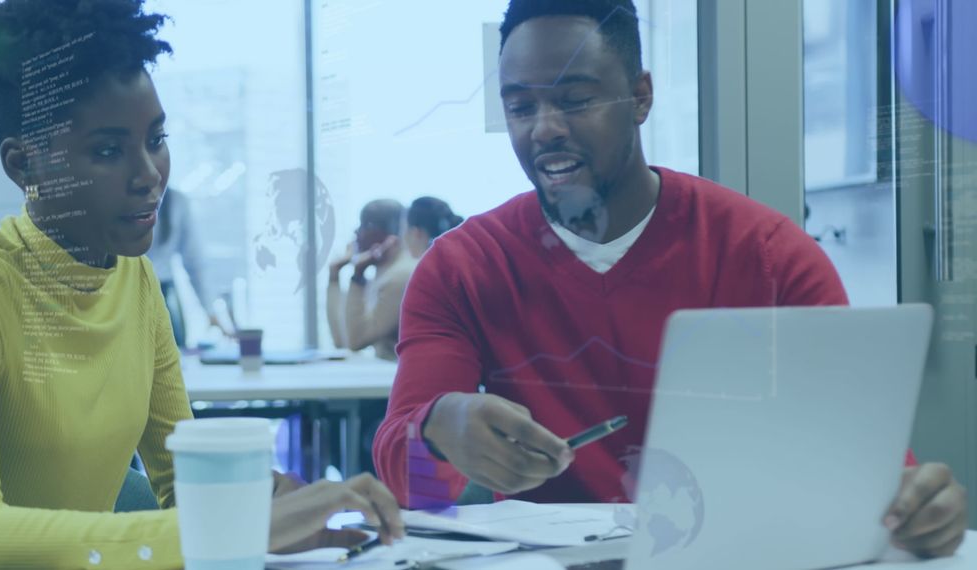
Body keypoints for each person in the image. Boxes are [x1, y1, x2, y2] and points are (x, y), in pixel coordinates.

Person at [373, 0, 967, 559]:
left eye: (575, 100)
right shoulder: (462, 269)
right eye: (520, 108)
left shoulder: (768, 255)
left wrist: (917, 508)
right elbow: (412, 486)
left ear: (641, 97)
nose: (544, 129)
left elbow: (867, 470)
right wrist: (438, 430)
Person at [0, 2, 403, 569]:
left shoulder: (133, 276)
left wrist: (286, 503)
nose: (149, 175)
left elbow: (183, 476)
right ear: (25, 166)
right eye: (108, 150)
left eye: (156, 139)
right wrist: (237, 525)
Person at [327, 199, 416, 361]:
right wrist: (334, 275)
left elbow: (356, 341)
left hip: (396, 373)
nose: (356, 232)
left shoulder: (401, 276)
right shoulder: (383, 272)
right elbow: (341, 340)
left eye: (364, 225)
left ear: (385, 233)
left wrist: (358, 275)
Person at [145, 188, 213, 346]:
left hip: (165, 292)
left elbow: (194, 261)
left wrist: (209, 311)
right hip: (129, 288)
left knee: (174, 352)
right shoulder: (120, 196)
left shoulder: (177, 202)